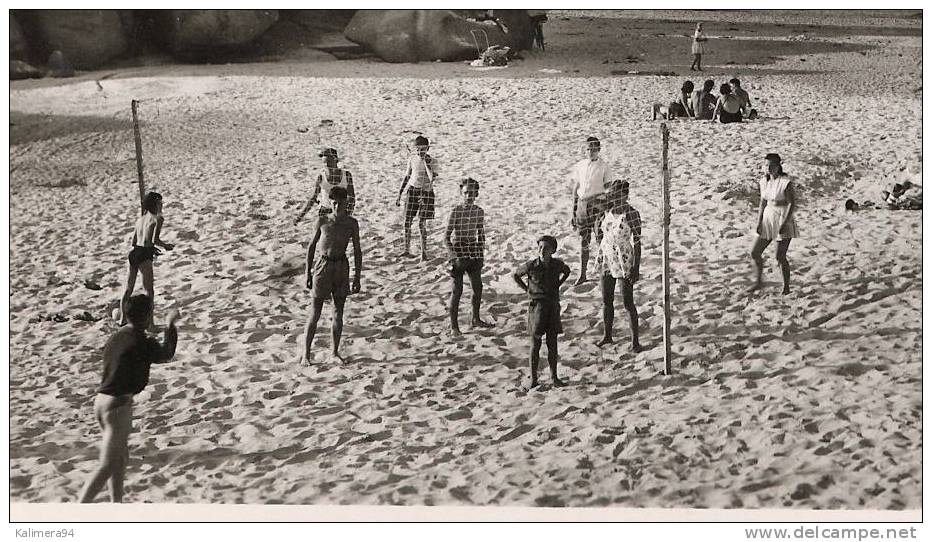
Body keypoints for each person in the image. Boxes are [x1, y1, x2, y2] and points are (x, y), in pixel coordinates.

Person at [79, 295, 179, 503]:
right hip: (117, 407)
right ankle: (78, 511)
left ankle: (118, 505)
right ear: (147, 316)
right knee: (107, 464)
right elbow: (166, 353)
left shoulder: (116, 337)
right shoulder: (142, 342)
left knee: (120, 458)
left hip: (101, 402)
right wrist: (170, 324)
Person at [299, 186, 362, 365]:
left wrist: (357, 276)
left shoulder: (351, 223)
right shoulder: (322, 221)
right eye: (333, 203)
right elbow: (311, 247)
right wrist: (307, 273)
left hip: (341, 266)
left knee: (338, 311)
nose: (336, 206)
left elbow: (357, 250)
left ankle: (334, 352)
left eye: (339, 203)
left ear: (346, 204)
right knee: (315, 311)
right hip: (322, 266)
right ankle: (306, 354)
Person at [513, 235, 572, 390]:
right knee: (535, 343)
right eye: (540, 247)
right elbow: (516, 275)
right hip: (537, 306)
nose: (542, 251)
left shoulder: (557, 265)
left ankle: (554, 377)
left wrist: (558, 284)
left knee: (552, 343)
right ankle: (533, 378)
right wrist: (528, 290)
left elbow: (567, 271)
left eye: (546, 248)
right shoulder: (531, 265)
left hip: (552, 306)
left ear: (552, 250)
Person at [595, 181, 642, 352]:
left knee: (628, 302)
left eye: (616, 194)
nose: (613, 197)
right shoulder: (606, 212)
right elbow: (599, 230)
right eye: (611, 194)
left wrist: (636, 268)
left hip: (624, 259)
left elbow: (637, 242)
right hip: (607, 258)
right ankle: (607, 335)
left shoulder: (631, 214)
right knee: (606, 300)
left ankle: (635, 341)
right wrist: (602, 245)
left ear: (625, 195)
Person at [445, 177, 494, 336]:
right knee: (457, 290)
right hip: (459, 248)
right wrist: (453, 257)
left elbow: (481, 234)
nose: (469, 196)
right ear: (461, 193)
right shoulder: (456, 211)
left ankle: (475, 318)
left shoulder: (479, 212)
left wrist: (480, 253)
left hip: (473, 249)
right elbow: (446, 236)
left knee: (477, 287)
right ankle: (454, 326)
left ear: (476, 194)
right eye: (466, 193)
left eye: (472, 193)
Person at [119, 192, 173, 328]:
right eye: (160, 203)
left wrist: (150, 247)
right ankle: (150, 324)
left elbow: (134, 241)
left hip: (134, 254)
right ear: (155, 204)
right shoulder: (158, 219)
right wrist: (166, 246)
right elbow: (154, 240)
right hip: (144, 256)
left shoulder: (140, 219)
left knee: (128, 289)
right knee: (149, 291)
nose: (162, 205)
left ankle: (122, 318)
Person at [751, 153, 798, 295]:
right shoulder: (763, 182)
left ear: (778, 166)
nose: (768, 168)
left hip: (783, 218)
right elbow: (762, 203)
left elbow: (792, 203)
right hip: (768, 218)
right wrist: (759, 221)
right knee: (755, 252)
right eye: (766, 165)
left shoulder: (785, 182)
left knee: (780, 256)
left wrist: (785, 223)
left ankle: (786, 287)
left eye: (771, 165)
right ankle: (759, 282)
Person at [570, 136, 612, 285]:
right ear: (585, 150)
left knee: (601, 240)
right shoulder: (580, 165)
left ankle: (604, 273)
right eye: (588, 149)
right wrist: (573, 210)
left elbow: (608, 188)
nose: (591, 152)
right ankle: (582, 274)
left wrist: (601, 201)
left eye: (594, 149)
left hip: (598, 206)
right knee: (584, 241)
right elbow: (576, 188)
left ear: (599, 150)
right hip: (583, 205)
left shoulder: (604, 166)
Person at [396, 135, 439, 261]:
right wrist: (400, 193)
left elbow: (432, 178)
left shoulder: (433, 161)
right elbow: (407, 176)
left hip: (426, 192)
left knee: (421, 223)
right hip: (413, 190)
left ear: (428, 148)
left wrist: (426, 162)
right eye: (418, 149)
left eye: (423, 149)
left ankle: (423, 253)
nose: (420, 151)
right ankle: (406, 249)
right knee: (407, 221)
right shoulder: (412, 159)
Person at [294, 147, 356, 223]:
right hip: (325, 211)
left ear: (336, 160)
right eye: (324, 163)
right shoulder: (321, 177)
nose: (327, 165)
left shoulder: (346, 175)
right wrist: (300, 216)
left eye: (329, 162)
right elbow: (313, 198)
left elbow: (352, 197)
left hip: (341, 210)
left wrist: (348, 214)